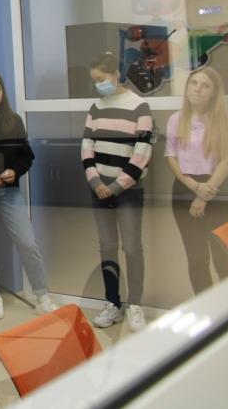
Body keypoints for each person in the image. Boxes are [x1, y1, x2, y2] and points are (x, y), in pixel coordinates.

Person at [0, 69, 57, 320]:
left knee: (27, 242)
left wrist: (13, 171)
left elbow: (26, 156)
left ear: (3, 91)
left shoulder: (13, 120)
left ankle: (42, 296)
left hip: (9, 191)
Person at [82, 52, 152, 331]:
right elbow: (86, 147)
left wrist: (115, 186)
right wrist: (95, 182)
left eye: (101, 79)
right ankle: (113, 303)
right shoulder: (95, 108)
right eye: (94, 81)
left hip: (128, 190)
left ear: (116, 74)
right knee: (107, 246)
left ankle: (135, 304)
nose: (98, 85)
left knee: (132, 247)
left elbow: (143, 152)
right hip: (99, 189)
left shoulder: (139, 106)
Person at [165, 66, 228, 295]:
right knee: (196, 259)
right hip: (185, 188)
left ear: (214, 92)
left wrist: (204, 195)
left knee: (224, 259)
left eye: (205, 86)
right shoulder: (176, 119)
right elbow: (171, 157)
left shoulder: (227, 119)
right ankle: (206, 311)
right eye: (194, 83)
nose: (198, 89)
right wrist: (194, 187)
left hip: (219, 189)